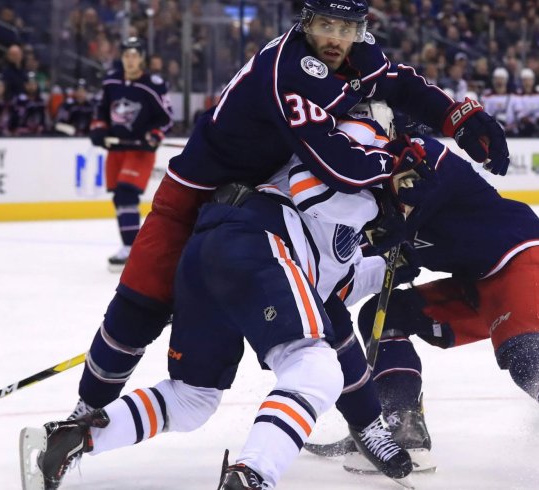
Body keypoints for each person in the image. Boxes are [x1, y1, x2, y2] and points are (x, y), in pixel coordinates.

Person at [66, 0, 508, 480]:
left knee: (324, 310)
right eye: (323, 25)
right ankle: (81, 417)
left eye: (345, 27)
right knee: (138, 309)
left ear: (360, 30)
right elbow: (336, 164)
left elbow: (400, 83)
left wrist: (460, 115)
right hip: (195, 201)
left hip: (268, 206)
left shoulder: (356, 61)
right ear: (304, 24)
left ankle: (368, 424)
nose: (335, 38)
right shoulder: (290, 70)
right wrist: (398, 168)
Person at [21, 111, 421, 490]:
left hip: (213, 249)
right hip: (255, 237)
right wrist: (380, 205)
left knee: (192, 399)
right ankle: (252, 475)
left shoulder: (352, 240)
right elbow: (308, 185)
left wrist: (391, 266)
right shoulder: (359, 143)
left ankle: (73, 437)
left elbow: (328, 285)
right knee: (316, 367)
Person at [326, 135, 539, 490]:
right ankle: (402, 427)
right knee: (387, 314)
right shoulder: (357, 194)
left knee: (531, 358)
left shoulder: (414, 151)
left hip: (517, 258)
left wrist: (396, 228)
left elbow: (439, 181)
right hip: (475, 281)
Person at [89, 37, 174, 269]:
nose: (130, 60)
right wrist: (99, 130)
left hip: (139, 151)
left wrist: (155, 135)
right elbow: (100, 112)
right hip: (117, 149)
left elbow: (166, 117)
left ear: (142, 59)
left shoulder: (152, 84)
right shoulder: (111, 82)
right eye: (126, 55)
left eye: (135, 56)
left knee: (127, 193)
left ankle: (132, 250)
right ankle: (130, 247)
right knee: (119, 197)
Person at [9, 71, 47, 135]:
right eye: (29, 84)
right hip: (20, 134)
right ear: (25, 85)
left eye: (33, 84)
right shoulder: (19, 100)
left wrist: (42, 127)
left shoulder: (41, 101)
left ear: (37, 85)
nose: (31, 86)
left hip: (38, 134)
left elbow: (44, 119)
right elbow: (13, 119)